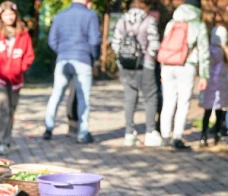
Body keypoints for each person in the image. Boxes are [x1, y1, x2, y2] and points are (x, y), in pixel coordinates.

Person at [43, 0, 101, 144]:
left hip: (63, 58)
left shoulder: (60, 15)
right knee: (83, 97)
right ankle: (82, 133)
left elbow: (52, 40)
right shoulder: (90, 15)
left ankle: (48, 128)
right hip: (82, 59)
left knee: (56, 94)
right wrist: (94, 58)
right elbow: (94, 41)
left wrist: (62, 51)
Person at [0, 1, 34, 155]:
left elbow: (29, 54)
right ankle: (2, 141)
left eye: (11, 14)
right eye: (6, 14)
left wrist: (21, 67)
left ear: (15, 15)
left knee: (11, 109)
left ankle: (8, 138)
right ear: (1, 16)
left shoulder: (23, 33)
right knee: (3, 107)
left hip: (16, 77)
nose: (9, 17)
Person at [158, 0, 209, 150]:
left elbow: (165, 45)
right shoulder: (198, 25)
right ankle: (177, 138)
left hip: (167, 66)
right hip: (186, 66)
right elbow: (204, 52)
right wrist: (204, 75)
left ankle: (165, 136)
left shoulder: (172, 23)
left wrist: (162, 68)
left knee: (168, 101)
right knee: (183, 102)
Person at [111, 0, 163, 147]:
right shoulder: (149, 21)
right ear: (145, 6)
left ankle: (129, 132)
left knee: (129, 98)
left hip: (125, 65)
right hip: (145, 64)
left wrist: (123, 58)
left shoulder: (123, 20)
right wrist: (149, 58)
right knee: (150, 97)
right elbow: (154, 44)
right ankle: (150, 132)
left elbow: (116, 44)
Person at [199, 25, 228, 146]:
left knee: (207, 111)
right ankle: (217, 134)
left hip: (209, 84)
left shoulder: (207, 50)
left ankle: (203, 136)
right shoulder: (225, 51)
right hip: (221, 86)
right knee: (219, 110)